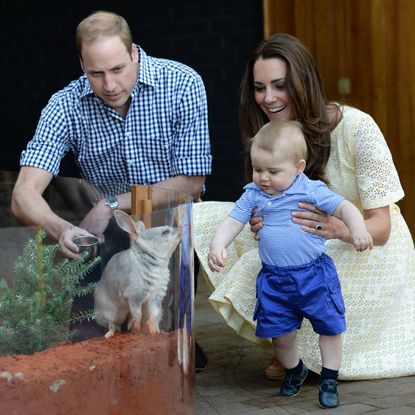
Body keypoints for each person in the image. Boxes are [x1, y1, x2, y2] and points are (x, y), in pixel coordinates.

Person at [192, 32, 415, 384]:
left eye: (280, 85)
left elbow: (382, 227)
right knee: (208, 220)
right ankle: (288, 347)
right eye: (260, 87)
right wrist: (259, 219)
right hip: (308, 236)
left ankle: (304, 355)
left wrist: (338, 229)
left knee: (262, 265)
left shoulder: (358, 127)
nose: (268, 98)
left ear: (303, 82)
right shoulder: (271, 133)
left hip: (365, 244)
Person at [11, 10, 211, 369]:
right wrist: (62, 228)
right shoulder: (65, 104)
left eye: (118, 69)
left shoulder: (182, 83)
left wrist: (111, 202)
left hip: (167, 228)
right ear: (82, 64)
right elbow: (23, 194)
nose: (110, 85)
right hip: (106, 239)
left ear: (134, 52)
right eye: (96, 73)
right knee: (90, 348)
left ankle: (176, 342)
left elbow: (192, 182)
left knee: (167, 355)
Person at [208, 119, 372, 408]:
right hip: (274, 279)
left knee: (329, 327)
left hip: (314, 275)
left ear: (298, 167)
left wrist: (357, 229)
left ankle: (330, 377)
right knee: (280, 337)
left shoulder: (311, 190)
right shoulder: (253, 194)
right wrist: (218, 243)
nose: (264, 178)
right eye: (258, 169)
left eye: (273, 171)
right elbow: (233, 220)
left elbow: (344, 207)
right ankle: (295, 368)